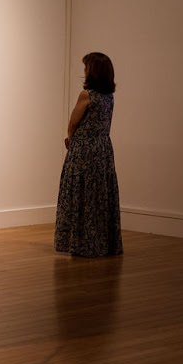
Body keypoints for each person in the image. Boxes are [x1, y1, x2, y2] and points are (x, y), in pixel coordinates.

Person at [55, 52, 122, 257]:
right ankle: (100, 244)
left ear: (93, 71)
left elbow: (73, 122)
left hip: (84, 149)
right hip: (103, 150)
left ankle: (81, 243)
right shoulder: (109, 96)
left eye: (86, 68)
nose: (84, 71)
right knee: (99, 196)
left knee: (80, 192)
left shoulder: (87, 95)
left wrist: (70, 138)